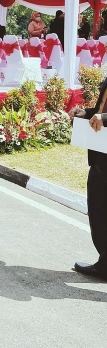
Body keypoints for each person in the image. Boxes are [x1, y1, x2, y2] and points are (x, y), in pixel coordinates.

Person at [69, 79, 107, 281]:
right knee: (98, 210)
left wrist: (104, 118)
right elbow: (101, 110)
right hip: (101, 151)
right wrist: (88, 113)